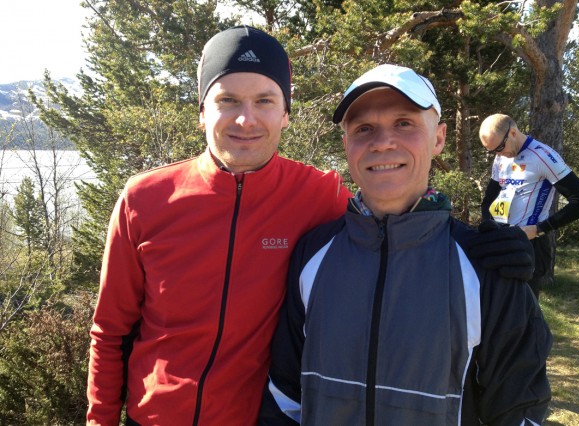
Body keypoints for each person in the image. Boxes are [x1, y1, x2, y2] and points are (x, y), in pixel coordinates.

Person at [86, 26, 535, 425]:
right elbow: (110, 333)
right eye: (227, 100)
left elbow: (393, 218)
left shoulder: (318, 195)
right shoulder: (145, 198)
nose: (246, 118)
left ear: (285, 113)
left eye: (264, 100)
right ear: (202, 110)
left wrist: (489, 249)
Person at [259, 64, 552, 425]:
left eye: (404, 123)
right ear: (346, 143)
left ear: (439, 138)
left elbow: (519, 410)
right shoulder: (312, 253)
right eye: (364, 128)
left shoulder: (486, 265)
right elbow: (284, 398)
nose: (382, 142)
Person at [479, 114, 579, 298]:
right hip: (500, 239)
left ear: (513, 132)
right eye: (492, 151)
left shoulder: (544, 156)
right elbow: (489, 199)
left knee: (524, 313)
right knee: (497, 308)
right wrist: (488, 225)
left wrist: (540, 229)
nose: (498, 154)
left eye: (499, 147)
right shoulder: (501, 156)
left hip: (529, 245)